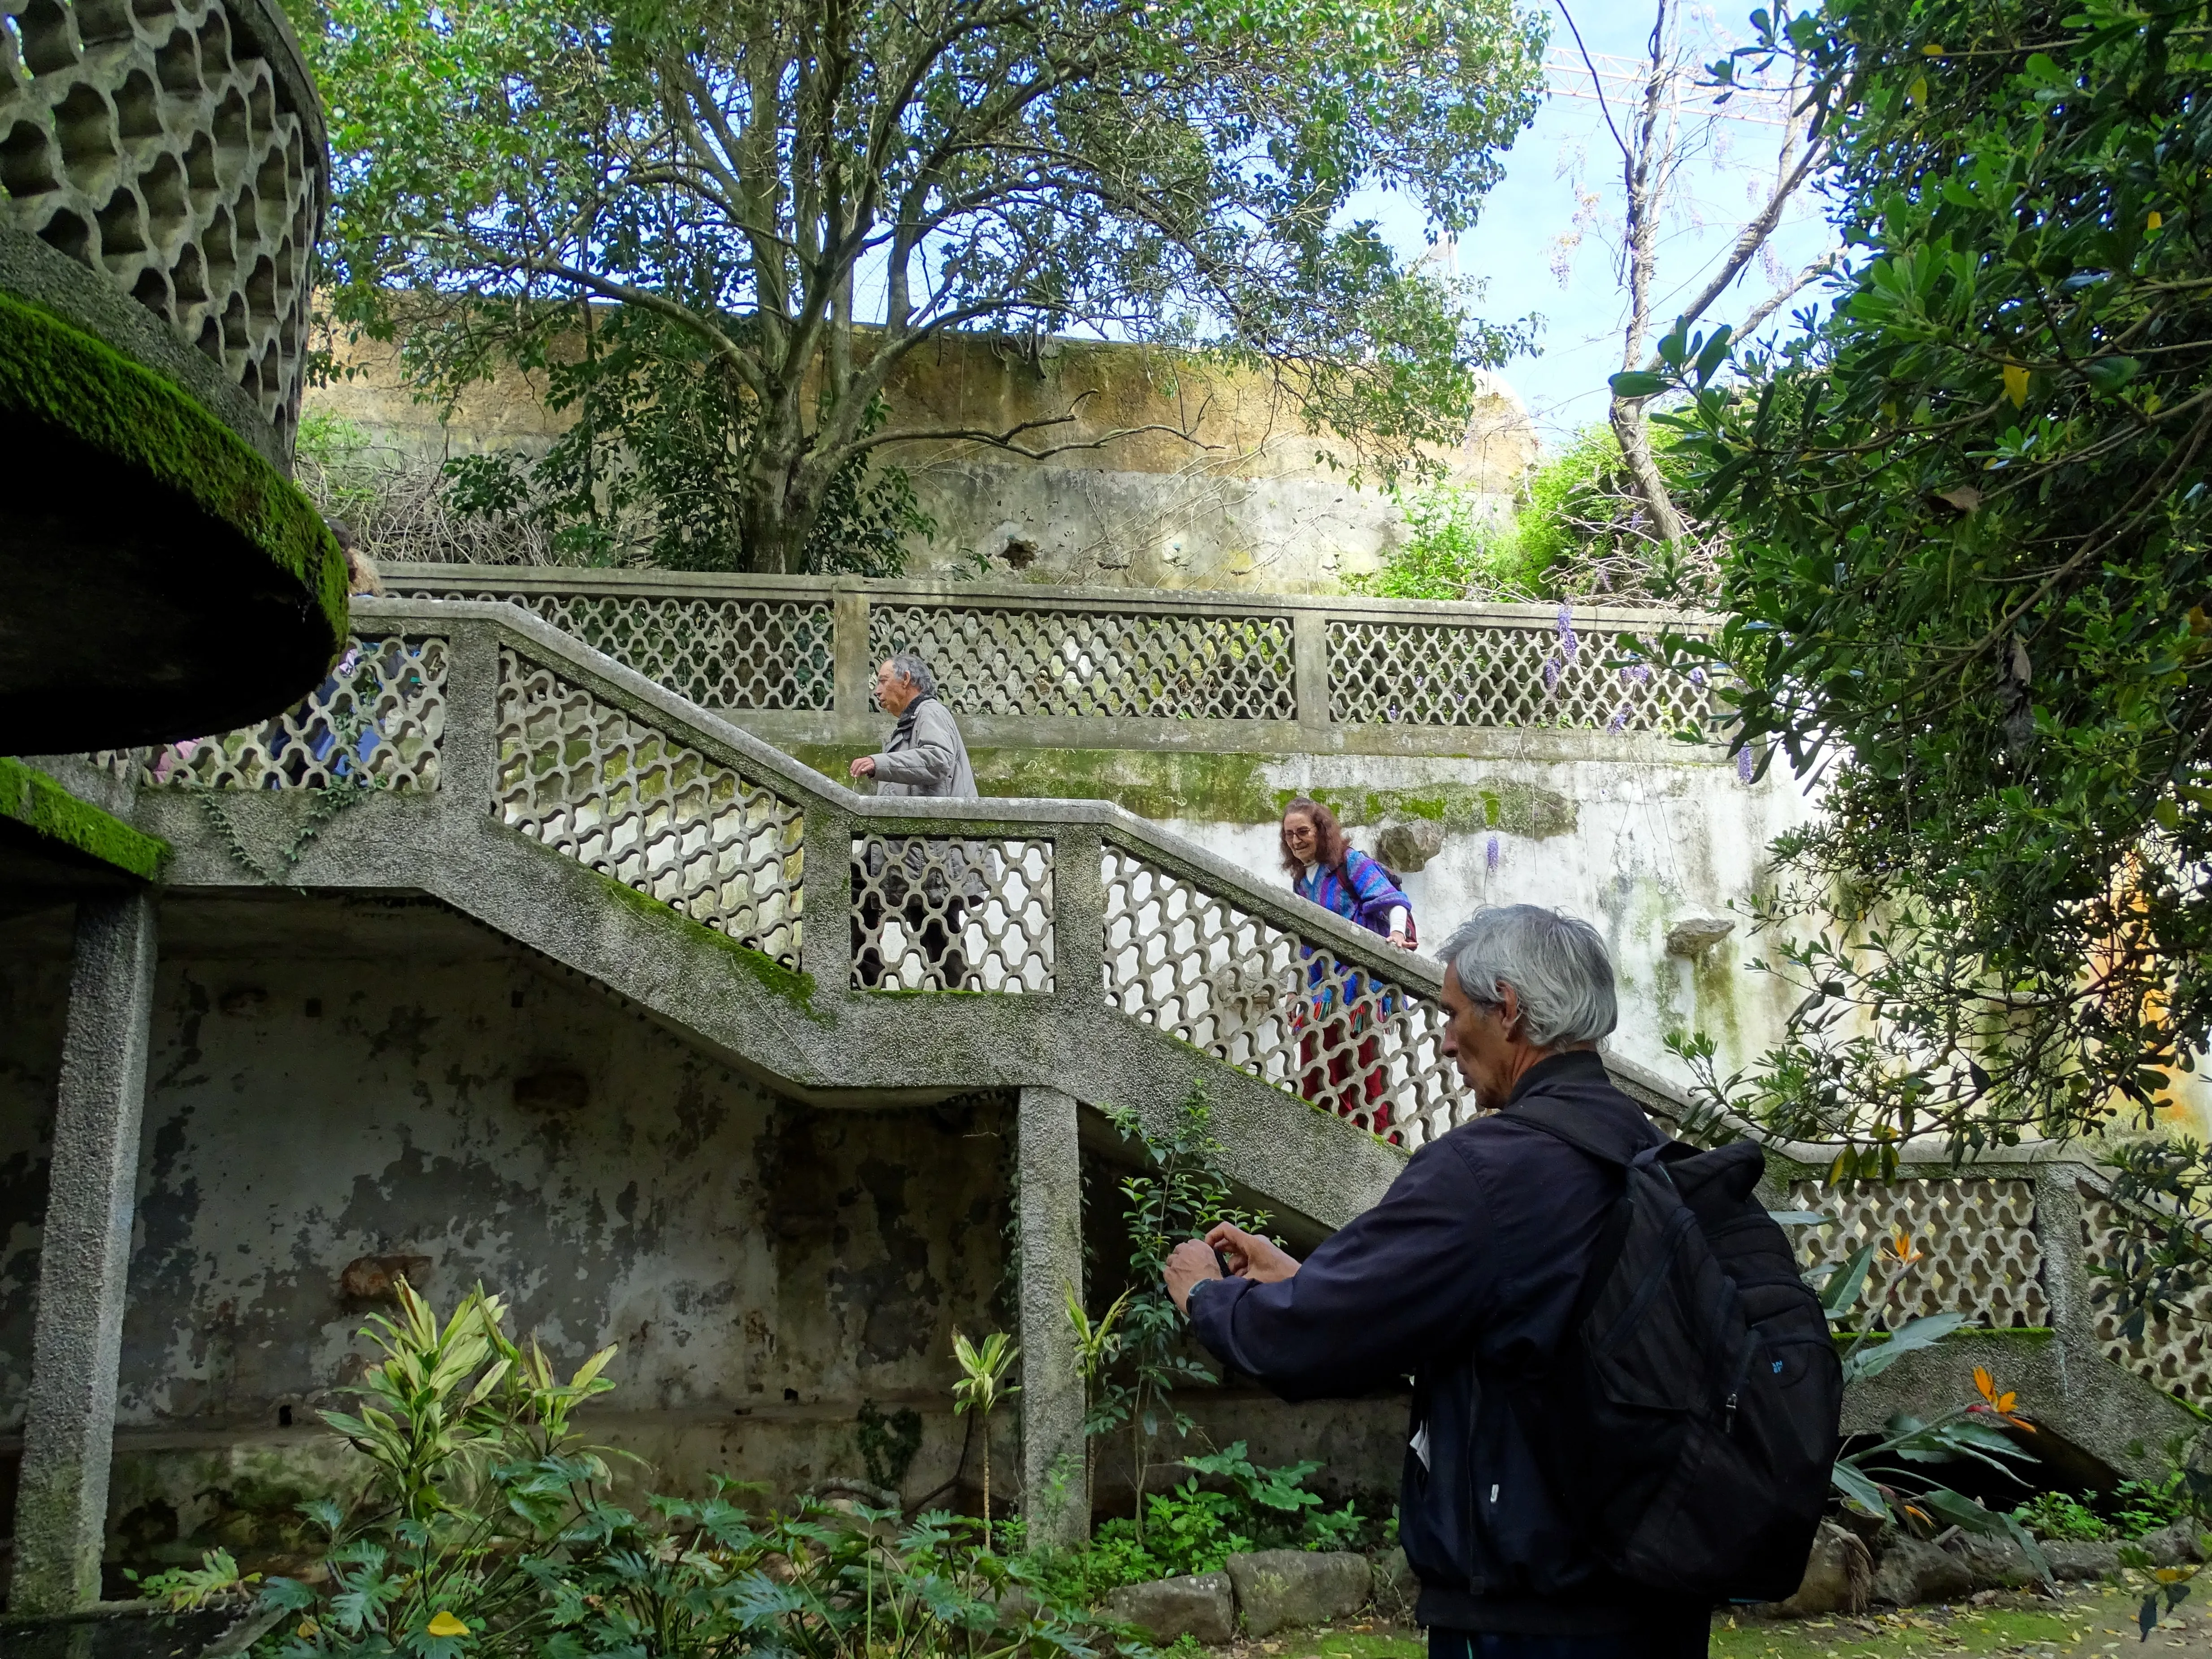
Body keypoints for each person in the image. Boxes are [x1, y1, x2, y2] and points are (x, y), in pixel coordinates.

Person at [1163, 905, 1712, 1659]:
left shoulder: (1486, 1171)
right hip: (1657, 1607)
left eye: (1453, 1014)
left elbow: (1301, 1339)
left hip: (1526, 1624)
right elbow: (1524, 1340)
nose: (1445, 1039)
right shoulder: (1651, 1154)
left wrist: (1205, 1294)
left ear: (1509, 1011)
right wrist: (1305, 1276)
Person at [1279, 798, 1413, 1129]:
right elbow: (1303, 944)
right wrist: (1295, 991)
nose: (1296, 841)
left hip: (1357, 990)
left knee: (1364, 1073)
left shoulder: (1349, 863)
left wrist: (1396, 935)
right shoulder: (1301, 882)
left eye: (1303, 832)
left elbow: (1394, 902)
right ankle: (1321, 1135)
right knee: (1317, 1072)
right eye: (1289, 835)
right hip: (1319, 993)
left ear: (1321, 831)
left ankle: (1380, 1140)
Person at [848, 654, 979, 988]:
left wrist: (880, 764)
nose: (877, 691)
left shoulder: (930, 712)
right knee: (858, 883)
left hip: (931, 850)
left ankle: (868, 977)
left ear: (906, 680)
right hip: (916, 850)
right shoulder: (911, 721)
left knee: (937, 929)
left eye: (882, 681)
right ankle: (866, 975)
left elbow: (938, 760)